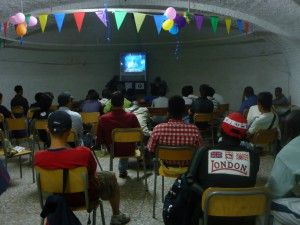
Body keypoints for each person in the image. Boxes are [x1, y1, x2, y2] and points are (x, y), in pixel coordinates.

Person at [34, 111, 130, 225]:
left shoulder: (38, 157)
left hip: (56, 199)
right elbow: (93, 176)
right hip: (84, 198)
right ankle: (116, 215)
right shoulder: (83, 153)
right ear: (70, 131)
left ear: (47, 129)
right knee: (110, 176)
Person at [196, 112, 260, 224]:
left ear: (221, 130)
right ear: (243, 135)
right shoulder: (254, 156)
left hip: (210, 214)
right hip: (242, 214)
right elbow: (251, 181)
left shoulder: (205, 153)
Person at [147, 95, 203, 166]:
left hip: (165, 168)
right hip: (187, 168)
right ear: (184, 110)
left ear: (168, 110)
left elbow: (150, 149)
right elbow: (201, 150)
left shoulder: (158, 129)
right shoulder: (194, 130)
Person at [97, 91, 140, 178]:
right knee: (126, 144)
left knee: (119, 144)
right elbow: (139, 135)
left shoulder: (103, 118)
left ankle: (117, 171)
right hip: (130, 149)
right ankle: (123, 170)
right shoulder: (132, 117)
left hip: (112, 150)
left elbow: (100, 139)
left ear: (111, 103)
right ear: (123, 102)